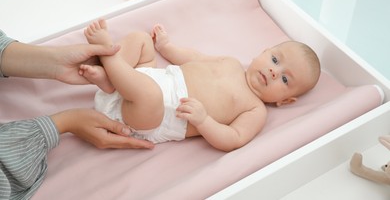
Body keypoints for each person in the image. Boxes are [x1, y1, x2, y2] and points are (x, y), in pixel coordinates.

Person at [80, 19, 321, 152]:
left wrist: (204, 121)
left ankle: (110, 61)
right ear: (264, 52)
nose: (273, 71)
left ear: (285, 100)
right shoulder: (232, 63)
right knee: (141, 41)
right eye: (275, 60)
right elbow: (193, 58)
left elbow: (234, 138)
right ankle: (113, 81)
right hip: (151, 78)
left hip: (156, 115)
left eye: (285, 79)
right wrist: (166, 47)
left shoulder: (255, 110)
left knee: (150, 95)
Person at [0, 29, 154, 200]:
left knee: (141, 39)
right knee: (148, 92)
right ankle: (111, 73)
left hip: (157, 92)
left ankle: (111, 79)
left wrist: (55, 62)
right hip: (159, 105)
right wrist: (64, 122)